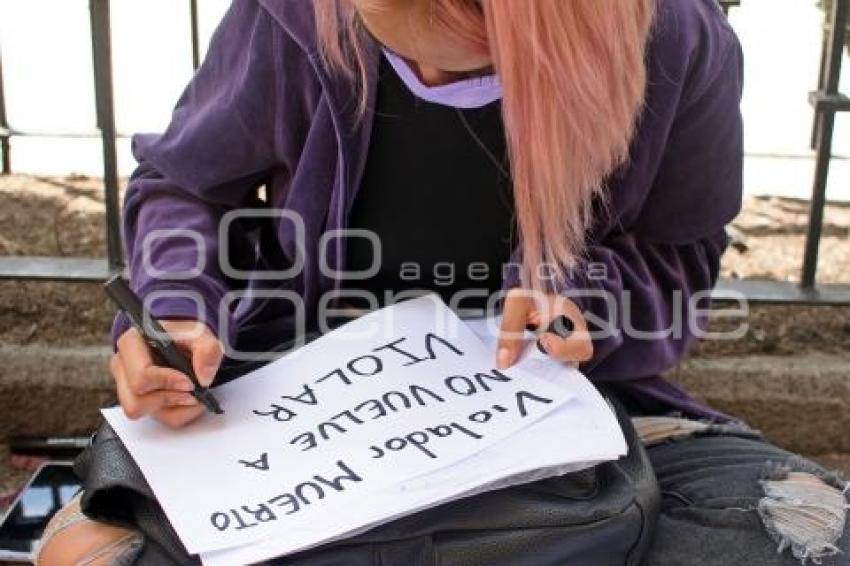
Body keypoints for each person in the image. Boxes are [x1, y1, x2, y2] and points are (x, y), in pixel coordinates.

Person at [36, 0, 849, 564]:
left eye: (452, 57)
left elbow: (681, 255)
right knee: (87, 551)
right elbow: (183, 185)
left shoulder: (672, 39)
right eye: (388, 46)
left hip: (567, 406)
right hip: (300, 401)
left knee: (811, 533)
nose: (415, 73)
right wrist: (178, 311)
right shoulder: (297, 16)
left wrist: (585, 301)